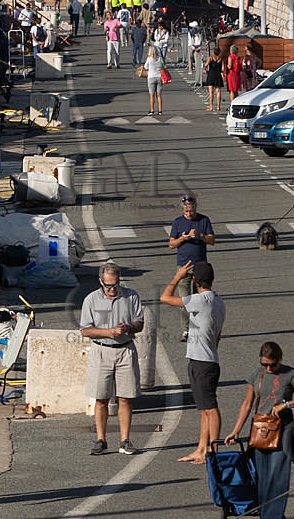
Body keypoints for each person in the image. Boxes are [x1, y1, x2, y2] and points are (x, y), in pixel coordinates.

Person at [224, 341, 294, 519]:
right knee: (263, 479)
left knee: (278, 478)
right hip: (260, 431)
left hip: (283, 431)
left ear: (280, 359)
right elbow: (247, 404)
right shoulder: (257, 375)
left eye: (272, 364)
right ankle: (269, 515)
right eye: (264, 364)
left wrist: (287, 404)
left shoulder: (290, 373)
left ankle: (272, 516)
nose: (268, 368)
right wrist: (235, 431)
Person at [160, 261, 226, 463]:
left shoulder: (200, 300)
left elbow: (165, 298)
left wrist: (177, 276)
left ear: (195, 280)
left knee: (210, 408)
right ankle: (201, 448)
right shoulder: (218, 301)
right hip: (208, 359)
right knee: (204, 410)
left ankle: (212, 452)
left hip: (201, 362)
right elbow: (218, 336)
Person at [79, 263, 144, 455]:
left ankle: (125, 440)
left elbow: (140, 323)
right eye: (108, 285)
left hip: (125, 350)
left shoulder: (131, 296)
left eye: (115, 284)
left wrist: (128, 328)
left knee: (126, 397)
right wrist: (108, 332)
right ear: (100, 281)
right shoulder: (91, 300)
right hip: (101, 351)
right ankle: (101, 439)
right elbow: (85, 330)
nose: (112, 289)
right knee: (101, 398)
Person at [168, 194, 216, 341]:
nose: (189, 214)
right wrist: (182, 238)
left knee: (200, 299)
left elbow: (212, 241)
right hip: (183, 266)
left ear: (196, 208)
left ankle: (200, 328)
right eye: (186, 211)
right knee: (184, 300)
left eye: (191, 211)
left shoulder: (204, 220)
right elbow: (171, 244)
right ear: (183, 209)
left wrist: (200, 235)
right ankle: (186, 329)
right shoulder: (177, 222)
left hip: (200, 267)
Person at [144, 47, 165, 114]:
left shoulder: (149, 59)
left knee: (151, 95)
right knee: (159, 95)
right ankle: (160, 110)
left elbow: (145, 67)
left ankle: (152, 110)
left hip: (151, 77)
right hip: (159, 77)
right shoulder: (160, 58)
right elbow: (163, 66)